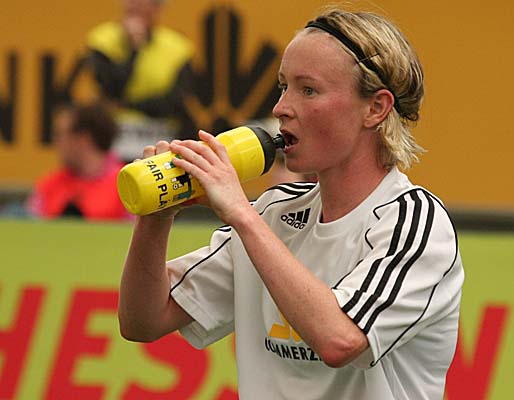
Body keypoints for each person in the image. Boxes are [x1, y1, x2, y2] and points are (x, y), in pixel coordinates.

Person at [118, 8, 464, 399]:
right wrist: (157, 218)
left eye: (308, 90)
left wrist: (241, 214)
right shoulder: (274, 213)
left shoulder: (415, 222)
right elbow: (144, 321)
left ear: (375, 108)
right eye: (283, 86)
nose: (281, 107)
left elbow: (340, 340)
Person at [86, 0, 195, 161]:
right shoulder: (102, 40)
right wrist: (135, 49)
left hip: (162, 138)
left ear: (158, 8)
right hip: (115, 140)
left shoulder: (178, 47)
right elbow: (112, 89)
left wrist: (127, 105)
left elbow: (176, 101)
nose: (134, 5)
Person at [27, 102, 130, 221]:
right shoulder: (48, 186)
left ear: (84, 138)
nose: (56, 143)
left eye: (60, 135)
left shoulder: (126, 185)